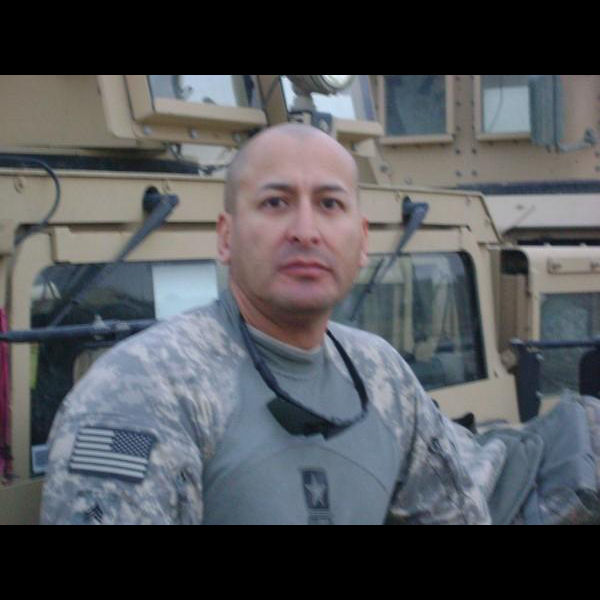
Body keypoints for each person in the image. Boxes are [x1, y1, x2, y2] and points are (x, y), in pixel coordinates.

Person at [41, 123, 505, 525]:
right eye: (275, 202)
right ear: (226, 237)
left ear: (362, 240)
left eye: (329, 204)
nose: (305, 231)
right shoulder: (142, 389)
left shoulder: (383, 375)